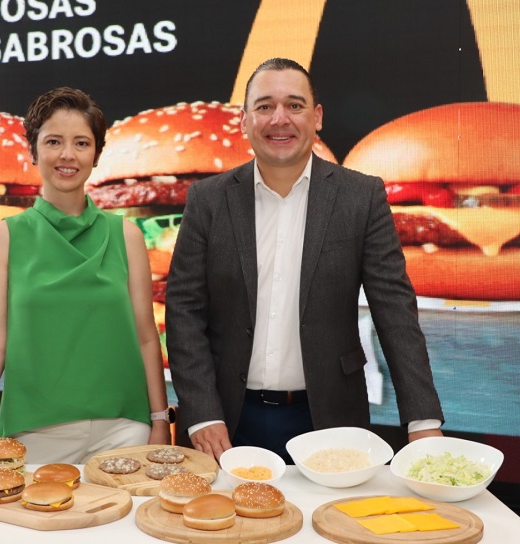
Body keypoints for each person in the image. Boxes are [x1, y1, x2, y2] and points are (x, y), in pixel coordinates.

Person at [165, 58, 444, 464]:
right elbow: (184, 309)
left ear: (317, 118)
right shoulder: (207, 200)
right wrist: (202, 412)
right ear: (244, 121)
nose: (280, 119)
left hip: (330, 418)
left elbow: (395, 312)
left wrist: (423, 421)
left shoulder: (361, 197)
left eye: (294, 106)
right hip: (223, 422)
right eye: (264, 106)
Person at [0, 87, 171, 478]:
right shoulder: (3, 237)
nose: (68, 154)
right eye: (53, 142)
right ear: (33, 151)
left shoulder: (127, 236)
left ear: (96, 155)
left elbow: (147, 337)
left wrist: (161, 421)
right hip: (33, 435)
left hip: (124, 430)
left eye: (81, 143)